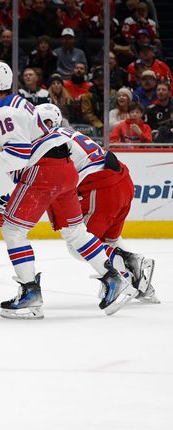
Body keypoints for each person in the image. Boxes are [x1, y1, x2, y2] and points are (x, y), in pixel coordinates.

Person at [0, 62, 136, 318]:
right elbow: (7, 150)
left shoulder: (3, 112)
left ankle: (30, 293)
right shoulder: (12, 105)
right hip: (63, 168)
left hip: (44, 171)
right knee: (74, 231)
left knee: (13, 229)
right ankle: (113, 277)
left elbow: (18, 156)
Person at [36, 103, 158, 303]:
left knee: (78, 245)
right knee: (108, 242)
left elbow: (50, 183)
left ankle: (131, 262)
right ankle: (141, 286)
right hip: (121, 181)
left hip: (103, 188)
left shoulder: (49, 142)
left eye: (42, 123)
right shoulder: (67, 133)